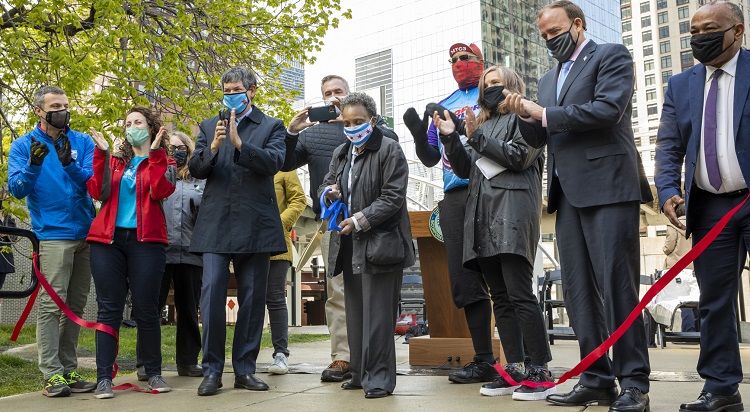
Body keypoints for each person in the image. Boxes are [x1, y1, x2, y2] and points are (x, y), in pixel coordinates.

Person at [504, 1, 652, 411]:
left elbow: (608, 110)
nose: (549, 40)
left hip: (609, 187)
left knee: (617, 287)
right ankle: (596, 378)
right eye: (544, 35)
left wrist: (544, 113)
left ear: (577, 24)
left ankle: (634, 383)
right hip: (567, 194)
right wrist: (524, 116)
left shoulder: (611, 56)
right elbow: (541, 137)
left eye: (555, 32)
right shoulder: (548, 78)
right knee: (578, 291)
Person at [436, 65, 553, 401]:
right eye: (487, 83)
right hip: (482, 218)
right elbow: (463, 168)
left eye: (497, 83)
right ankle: (514, 366)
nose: (489, 88)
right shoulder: (482, 123)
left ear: (512, 86)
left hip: (512, 213)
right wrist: (450, 136)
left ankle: (540, 369)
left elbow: (519, 157)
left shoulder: (525, 118)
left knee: (519, 293)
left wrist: (476, 137)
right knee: (499, 297)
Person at [655, 2, 748, 410]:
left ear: (738, 31)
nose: (699, 36)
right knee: (713, 301)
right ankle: (721, 389)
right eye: (694, 31)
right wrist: (665, 189)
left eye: (710, 28)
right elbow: (669, 144)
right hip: (709, 208)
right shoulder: (680, 85)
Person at [283, 75, 397, 382]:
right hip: (334, 222)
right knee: (337, 292)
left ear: (350, 96)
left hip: (371, 220)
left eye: (338, 93)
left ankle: (371, 360)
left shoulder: (371, 130)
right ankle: (343, 357)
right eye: (327, 94)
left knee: (371, 292)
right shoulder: (314, 135)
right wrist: (292, 132)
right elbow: (285, 162)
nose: (332, 98)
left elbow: (391, 142)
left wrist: (365, 119)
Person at [403, 42, 500, 385]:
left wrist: (458, 129)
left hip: (491, 188)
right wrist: (419, 135)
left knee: (504, 274)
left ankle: (526, 360)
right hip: (455, 194)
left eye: (466, 58)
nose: (459, 64)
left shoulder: (495, 94)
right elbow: (430, 157)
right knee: (464, 278)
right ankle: (484, 360)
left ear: (480, 62)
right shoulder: (443, 106)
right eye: (454, 60)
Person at [188, 66, 287, 396]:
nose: (231, 95)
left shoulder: (272, 126)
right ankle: (212, 370)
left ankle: (245, 369)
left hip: (255, 225)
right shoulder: (207, 126)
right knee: (213, 293)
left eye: (237, 89)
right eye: (226, 89)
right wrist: (215, 146)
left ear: (252, 91)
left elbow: (274, 162)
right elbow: (197, 169)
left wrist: (240, 144)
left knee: (253, 299)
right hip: (216, 224)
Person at [319, 92, 414, 399]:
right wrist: (329, 192)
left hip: (380, 244)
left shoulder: (390, 150)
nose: (352, 127)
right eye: (346, 122)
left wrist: (359, 219)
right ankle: (360, 374)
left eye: (358, 121)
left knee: (378, 317)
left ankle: (380, 379)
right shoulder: (341, 153)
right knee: (356, 312)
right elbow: (325, 183)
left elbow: (392, 197)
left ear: (373, 120)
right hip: (348, 245)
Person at [8, 86, 97, 397]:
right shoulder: (22, 145)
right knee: (51, 305)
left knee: (75, 305)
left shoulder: (82, 141)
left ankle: (68, 371)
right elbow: (17, 189)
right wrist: (33, 166)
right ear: (39, 111)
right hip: (53, 235)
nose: (62, 110)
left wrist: (69, 163)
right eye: (55, 106)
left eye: (65, 105)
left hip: (86, 233)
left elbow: (91, 181)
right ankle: (50, 373)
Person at [87, 106, 175, 399]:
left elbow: (160, 191)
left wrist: (154, 154)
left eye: (138, 122)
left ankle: (154, 373)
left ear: (150, 128)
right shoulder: (114, 161)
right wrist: (102, 154)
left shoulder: (165, 161)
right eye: (128, 123)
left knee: (147, 310)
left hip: (147, 241)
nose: (132, 126)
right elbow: (97, 192)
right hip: (107, 241)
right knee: (108, 309)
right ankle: (103, 378)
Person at [144, 131, 205, 379]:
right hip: (159, 250)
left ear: (189, 151)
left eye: (180, 148)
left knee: (189, 309)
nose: (175, 152)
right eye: (170, 148)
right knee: (151, 309)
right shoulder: (156, 175)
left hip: (191, 253)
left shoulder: (200, 180)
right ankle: (146, 363)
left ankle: (188, 362)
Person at [267, 170, 306, 374]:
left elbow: (298, 199)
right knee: (250, 299)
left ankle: (281, 354)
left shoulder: (284, 167)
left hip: (277, 246)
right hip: (248, 244)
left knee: (275, 298)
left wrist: (279, 223)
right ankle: (246, 354)